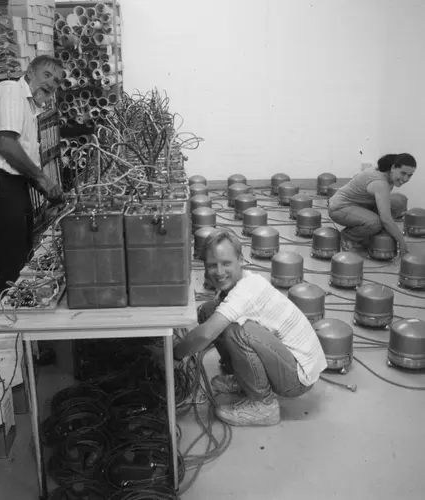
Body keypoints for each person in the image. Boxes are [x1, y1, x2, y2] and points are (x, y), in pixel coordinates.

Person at [171, 229, 327, 427]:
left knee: (236, 331)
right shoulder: (236, 285)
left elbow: (206, 333)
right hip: (285, 359)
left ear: (241, 260)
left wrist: (174, 356)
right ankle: (244, 380)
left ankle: (263, 406)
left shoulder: (247, 290)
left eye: (226, 263)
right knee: (209, 312)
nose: (219, 272)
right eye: (212, 265)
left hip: (298, 377)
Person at [0, 55, 64, 302]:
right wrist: (43, 179)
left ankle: (18, 322)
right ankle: (8, 326)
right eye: (46, 75)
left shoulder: (29, 108)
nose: (51, 84)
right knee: (13, 263)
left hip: (11, 185)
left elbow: (20, 158)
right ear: (30, 71)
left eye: (56, 81)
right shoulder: (12, 92)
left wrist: (51, 192)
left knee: (20, 259)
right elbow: (6, 145)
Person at [328, 153, 416, 254]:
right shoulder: (380, 183)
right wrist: (401, 241)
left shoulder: (387, 173)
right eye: (403, 173)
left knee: (398, 204)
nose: (405, 179)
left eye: (409, 175)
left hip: (360, 204)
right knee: (375, 223)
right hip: (340, 208)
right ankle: (347, 236)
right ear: (393, 168)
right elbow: (386, 219)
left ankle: (365, 229)